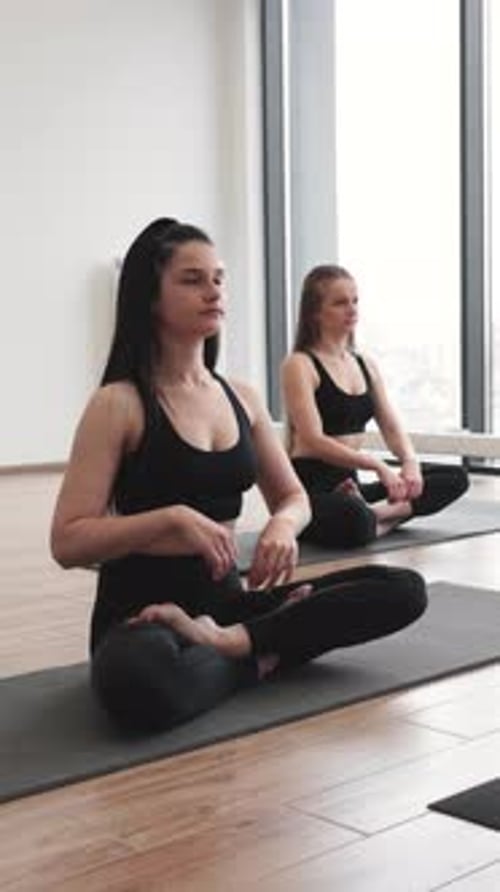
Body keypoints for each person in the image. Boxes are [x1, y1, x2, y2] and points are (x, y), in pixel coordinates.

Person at [50, 221, 427, 734]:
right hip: (143, 617)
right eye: (192, 280)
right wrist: (172, 520)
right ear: (150, 296)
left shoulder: (242, 397)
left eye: (219, 279)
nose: (214, 292)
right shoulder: (119, 403)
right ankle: (262, 652)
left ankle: (235, 647)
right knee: (139, 682)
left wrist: (282, 527)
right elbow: (68, 541)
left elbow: (293, 496)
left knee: (402, 588)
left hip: (227, 607)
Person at [281, 264, 469, 550]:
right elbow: (312, 440)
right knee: (354, 518)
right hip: (312, 491)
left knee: (454, 477)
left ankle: (378, 517)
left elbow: (391, 425)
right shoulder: (299, 365)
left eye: (355, 301)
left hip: (352, 486)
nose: (352, 309)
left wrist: (409, 462)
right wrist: (378, 465)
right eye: (340, 302)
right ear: (315, 312)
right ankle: (377, 518)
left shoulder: (365, 364)